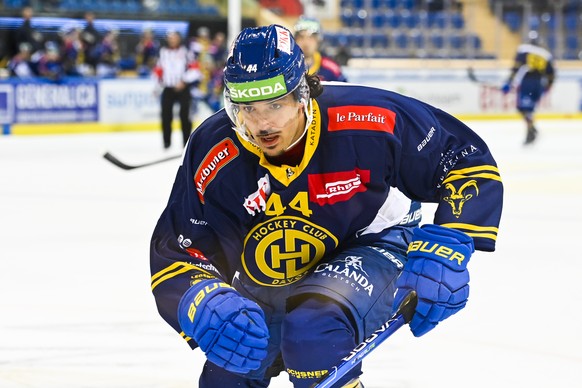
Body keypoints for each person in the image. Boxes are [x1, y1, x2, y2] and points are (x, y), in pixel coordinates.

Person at [150, 25, 503, 387]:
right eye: (247, 109)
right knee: (230, 367)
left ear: (302, 94)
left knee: (312, 332)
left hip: (372, 242)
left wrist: (451, 238)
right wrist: (201, 298)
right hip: (273, 269)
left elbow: (461, 158)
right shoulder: (213, 147)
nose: (262, 124)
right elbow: (178, 246)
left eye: (275, 104)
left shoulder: (368, 118)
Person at [501, 30, 555, 145]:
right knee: (527, 109)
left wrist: (509, 82)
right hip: (539, 84)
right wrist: (547, 86)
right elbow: (551, 74)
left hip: (527, 83)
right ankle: (531, 129)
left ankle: (530, 131)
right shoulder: (546, 54)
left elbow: (516, 67)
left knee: (523, 108)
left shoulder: (523, 49)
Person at [153, 30, 200, 149]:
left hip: (183, 88)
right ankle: (166, 143)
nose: (172, 40)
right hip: (168, 88)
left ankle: (186, 143)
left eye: (174, 37)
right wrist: (156, 86)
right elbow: (158, 70)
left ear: (179, 39)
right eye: (170, 38)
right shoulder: (163, 52)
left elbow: (195, 69)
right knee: (165, 115)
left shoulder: (186, 52)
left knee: (185, 116)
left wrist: (184, 81)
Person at [293, 16, 347, 82]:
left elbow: (346, 90)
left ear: (319, 41)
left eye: (311, 38)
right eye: (301, 37)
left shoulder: (331, 68)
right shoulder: (286, 67)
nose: (306, 43)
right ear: (295, 40)